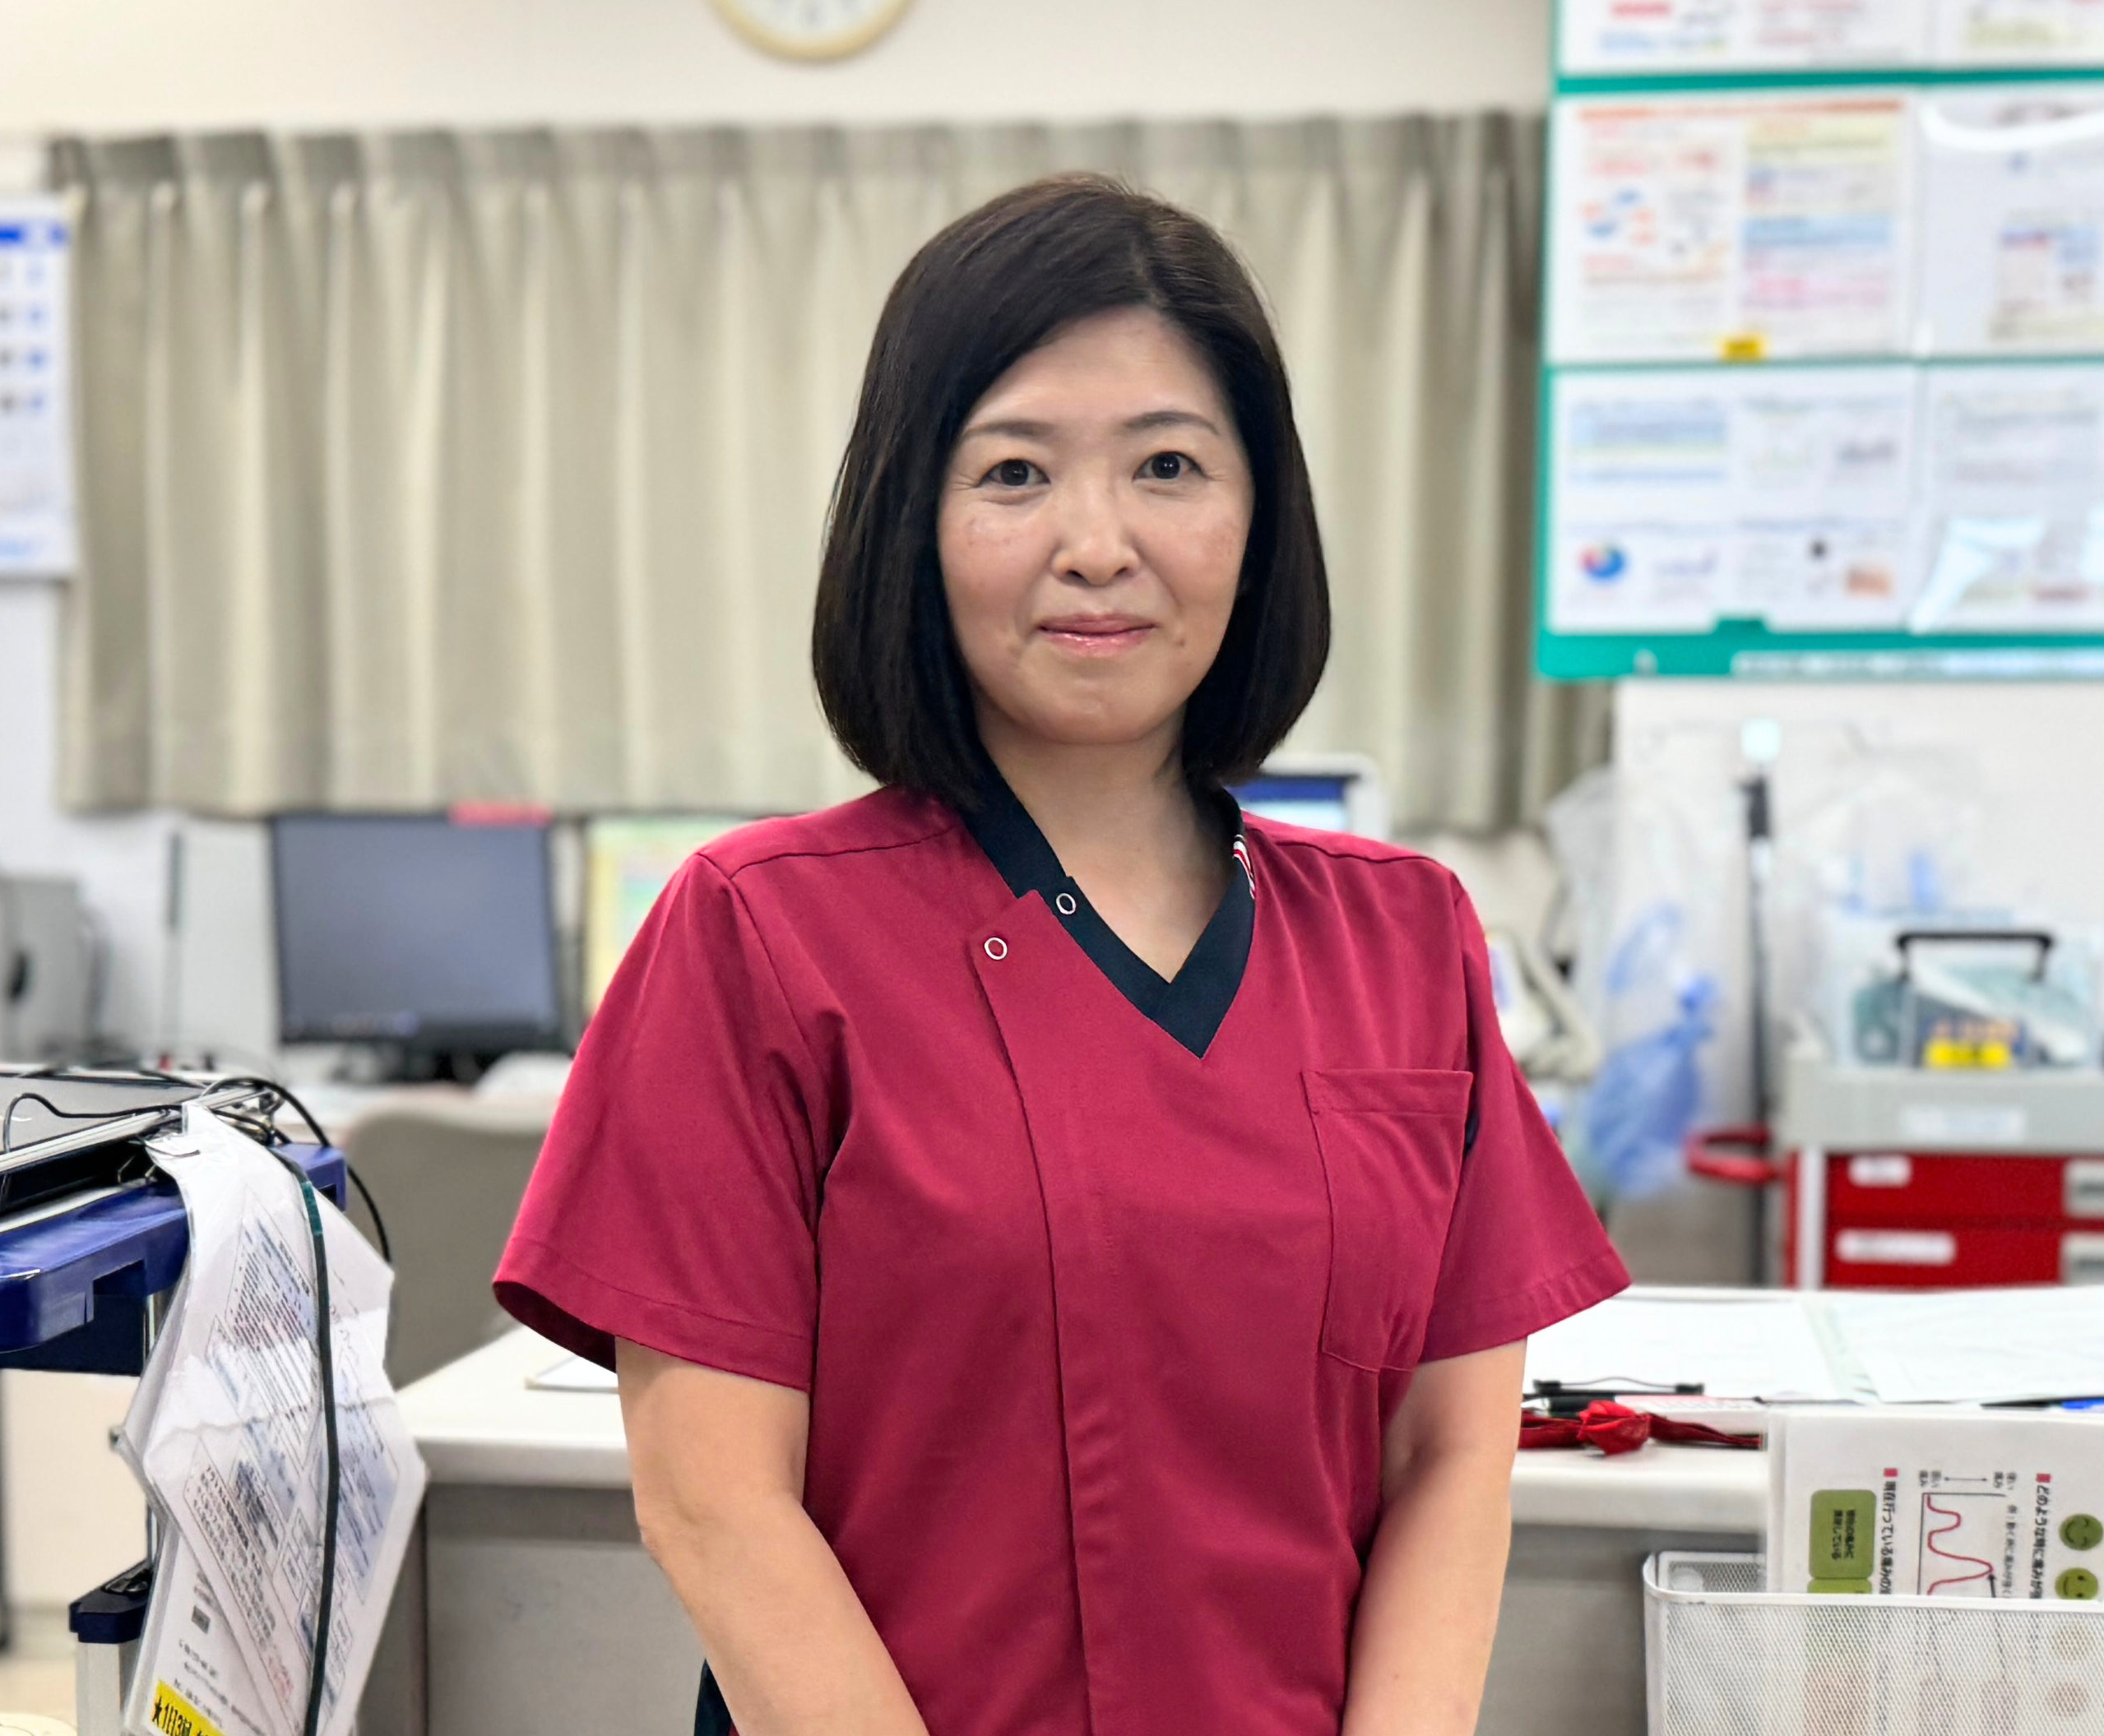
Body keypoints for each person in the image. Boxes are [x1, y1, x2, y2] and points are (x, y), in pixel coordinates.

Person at [495, 174, 1628, 1736]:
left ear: (1257, 520)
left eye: (1168, 465)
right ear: (913, 523)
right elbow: (713, 1506)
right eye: (1014, 472)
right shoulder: (758, 931)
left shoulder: (1402, 934)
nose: (1098, 546)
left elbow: (1449, 1456)